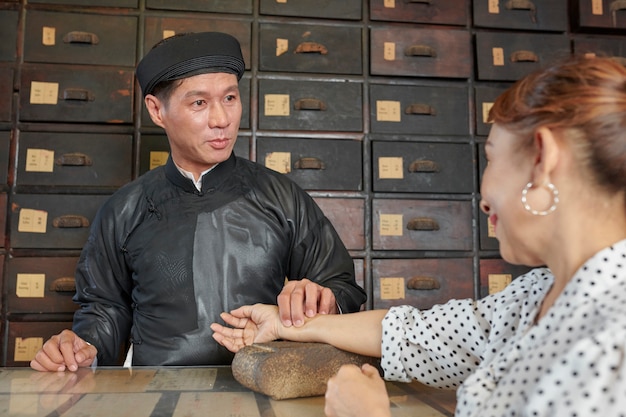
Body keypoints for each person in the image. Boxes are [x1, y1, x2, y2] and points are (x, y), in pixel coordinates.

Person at [211, 54, 626, 417]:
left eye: (491, 158)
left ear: (543, 159)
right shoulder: (537, 293)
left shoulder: (612, 344)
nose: (484, 198)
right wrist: (287, 326)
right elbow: (412, 335)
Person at [30, 32, 366, 372]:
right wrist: (81, 347)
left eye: (230, 98)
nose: (221, 119)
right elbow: (104, 307)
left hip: (262, 385)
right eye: (199, 103)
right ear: (157, 110)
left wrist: (322, 298)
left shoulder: (282, 197)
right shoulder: (124, 210)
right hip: (155, 392)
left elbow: (342, 287)